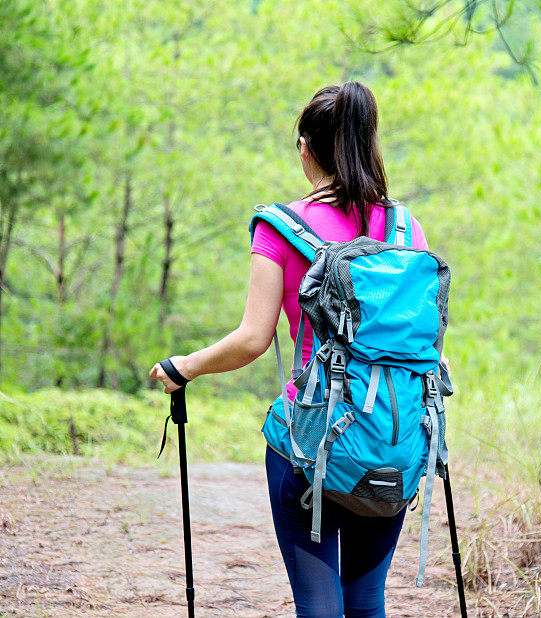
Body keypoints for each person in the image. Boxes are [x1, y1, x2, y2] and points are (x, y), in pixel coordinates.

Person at [150, 81, 449, 618]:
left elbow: (251, 339)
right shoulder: (407, 229)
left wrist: (182, 368)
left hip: (311, 444)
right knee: (366, 602)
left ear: (307, 148)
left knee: (317, 603)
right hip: (393, 442)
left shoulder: (281, 228)